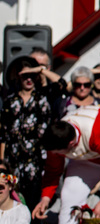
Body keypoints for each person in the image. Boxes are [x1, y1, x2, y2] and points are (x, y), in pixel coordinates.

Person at [0, 55, 58, 209]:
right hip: (14, 162)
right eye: (25, 76)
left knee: (34, 205)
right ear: (18, 77)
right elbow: (4, 134)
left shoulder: (44, 97)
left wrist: (40, 69)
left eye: (31, 76)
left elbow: (62, 83)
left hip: (37, 162)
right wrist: (1, 162)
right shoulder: (10, 101)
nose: (28, 80)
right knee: (13, 204)